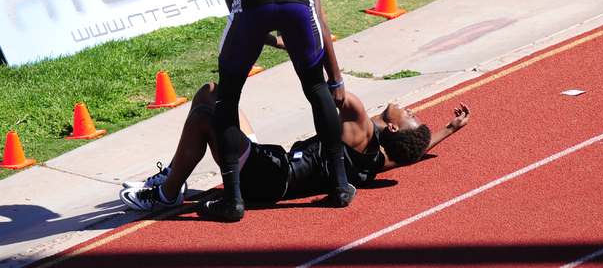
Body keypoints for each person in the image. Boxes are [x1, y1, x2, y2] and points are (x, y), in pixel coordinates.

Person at [119, 81, 471, 217]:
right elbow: (412, 153)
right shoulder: (380, 160)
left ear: (392, 126)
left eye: (410, 115)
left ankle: (166, 194)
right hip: (272, 164)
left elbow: (328, 83)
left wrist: (294, 43)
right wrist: (449, 129)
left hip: (266, 176)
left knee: (203, 117)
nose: (411, 109)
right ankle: (175, 175)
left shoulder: (360, 119)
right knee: (212, 91)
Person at [207, 0, 350, 220]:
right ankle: (339, 185)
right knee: (316, 88)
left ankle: (232, 198)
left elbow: (239, 11)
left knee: (227, 98)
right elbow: (318, 18)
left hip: (251, 17)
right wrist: (336, 80)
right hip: (299, 14)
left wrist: (272, 40)